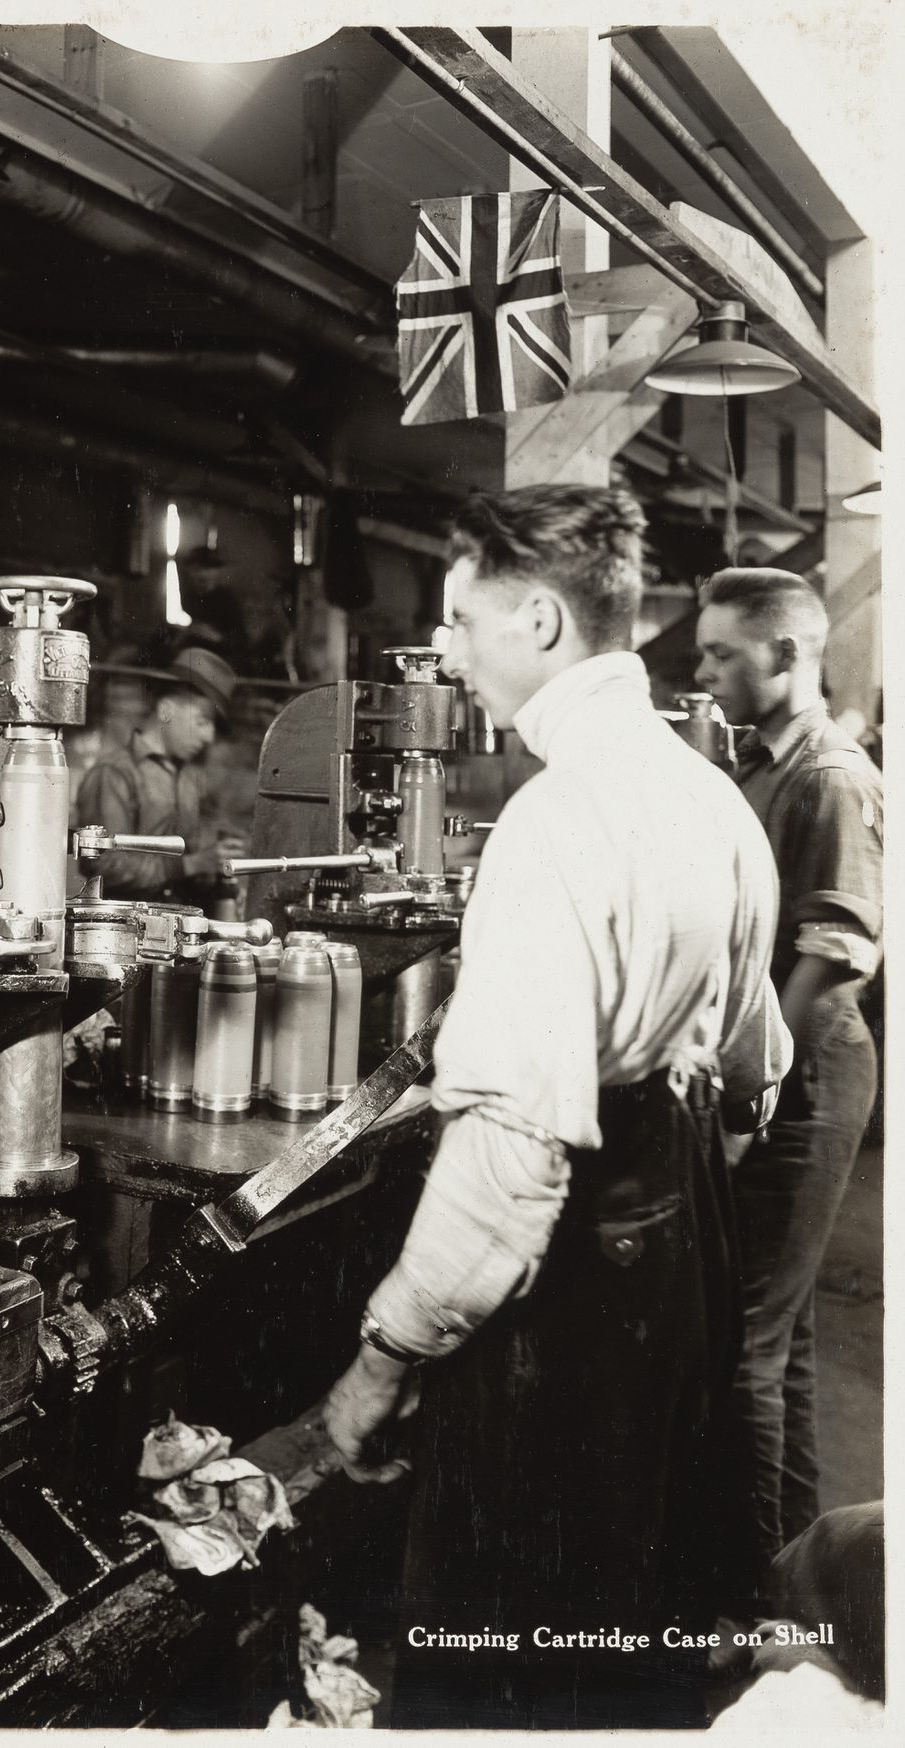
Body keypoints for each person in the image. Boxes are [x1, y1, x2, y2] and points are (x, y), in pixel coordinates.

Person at [323, 484, 791, 1730]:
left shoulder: (554, 818)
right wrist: (659, 1189)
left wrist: (384, 1354)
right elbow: (757, 1068)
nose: (448, 650)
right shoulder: (709, 797)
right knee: (631, 1622)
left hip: (570, 1284)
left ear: (535, 618)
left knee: (503, 1646)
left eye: (460, 618)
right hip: (678, 1235)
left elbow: (516, 1151)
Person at [694, 569, 883, 1585]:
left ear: (784, 652)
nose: (704, 672)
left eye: (721, 653)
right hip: (772, 1061)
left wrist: (747, 1084)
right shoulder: (758, 768)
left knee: (745, 1347)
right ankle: (804, 1582)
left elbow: (832, 947)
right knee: (788, 1339)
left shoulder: (827, 775)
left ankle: (746, 1603)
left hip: (803, 1068)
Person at [74, 646, 245, 901]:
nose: (208, 737)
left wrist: (217, 870)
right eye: (202, 721)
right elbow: (102, 865)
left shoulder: (188, 779)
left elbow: (193, 861)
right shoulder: (115, 774)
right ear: (166, 710)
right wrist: (193, 865)